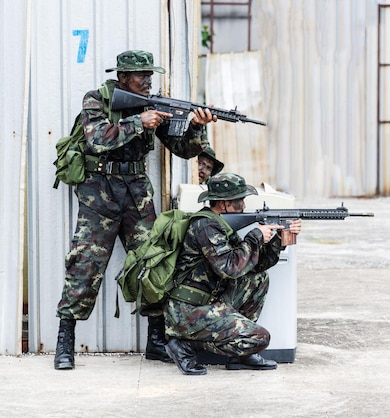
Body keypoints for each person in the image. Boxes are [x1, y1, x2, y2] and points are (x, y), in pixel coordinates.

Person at [54, 50, 217, 370]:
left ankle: (156, 341)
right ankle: (65, 342)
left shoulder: (152, 104)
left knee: (152, 262)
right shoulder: (97, 99)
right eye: (141, 75)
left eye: (149, 75)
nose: (147, 81)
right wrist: (138, 121)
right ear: (123, 77)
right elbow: (97, 139)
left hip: (137, 194)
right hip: (98, 194)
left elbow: (183, 150)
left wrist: (197, 126)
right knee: (85, 265)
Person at [163, 173, 302, 375]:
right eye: (240, 201)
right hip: (187, 311)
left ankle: (240, 355)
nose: (244, 205)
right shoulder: (205, 226)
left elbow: (255, 266)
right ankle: (185, 345)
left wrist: (278, 240)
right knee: (260, 338)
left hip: (207, 301)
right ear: (225, 204)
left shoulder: (220, 224)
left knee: (257, 278)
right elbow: (229, 268)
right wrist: (255, 237)